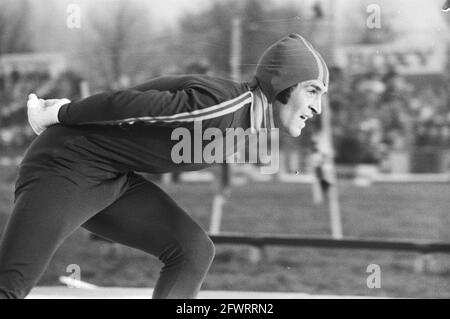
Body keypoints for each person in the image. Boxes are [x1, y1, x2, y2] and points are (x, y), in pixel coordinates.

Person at [0, 33, 328, 299]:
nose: (317, 107)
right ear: (282, 84)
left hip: (112, 179)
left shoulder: (245, 122)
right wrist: (60, 113)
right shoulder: (221, 108)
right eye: (312, 91)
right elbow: (126, 105)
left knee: (193, 251)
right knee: (10, 287)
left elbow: (160, 89)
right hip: (66, 164)